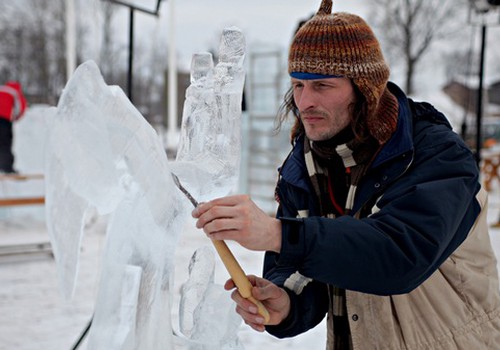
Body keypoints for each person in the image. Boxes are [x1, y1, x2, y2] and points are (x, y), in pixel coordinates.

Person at [192, 0, 500, 348]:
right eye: (297, 85)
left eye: (322, 85)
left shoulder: (436, 155)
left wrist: (280, 234)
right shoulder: (304, 164)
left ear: (365, 88)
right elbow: (303, 270)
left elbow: (399, 255)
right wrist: (286, 303)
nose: (304, 101)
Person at [0, 81, 27, 173]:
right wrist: (15, 117)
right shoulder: (14, 92)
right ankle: (7, 168)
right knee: (5, 143)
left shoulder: (2, 89)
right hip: (3, 120)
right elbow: (20, 107)